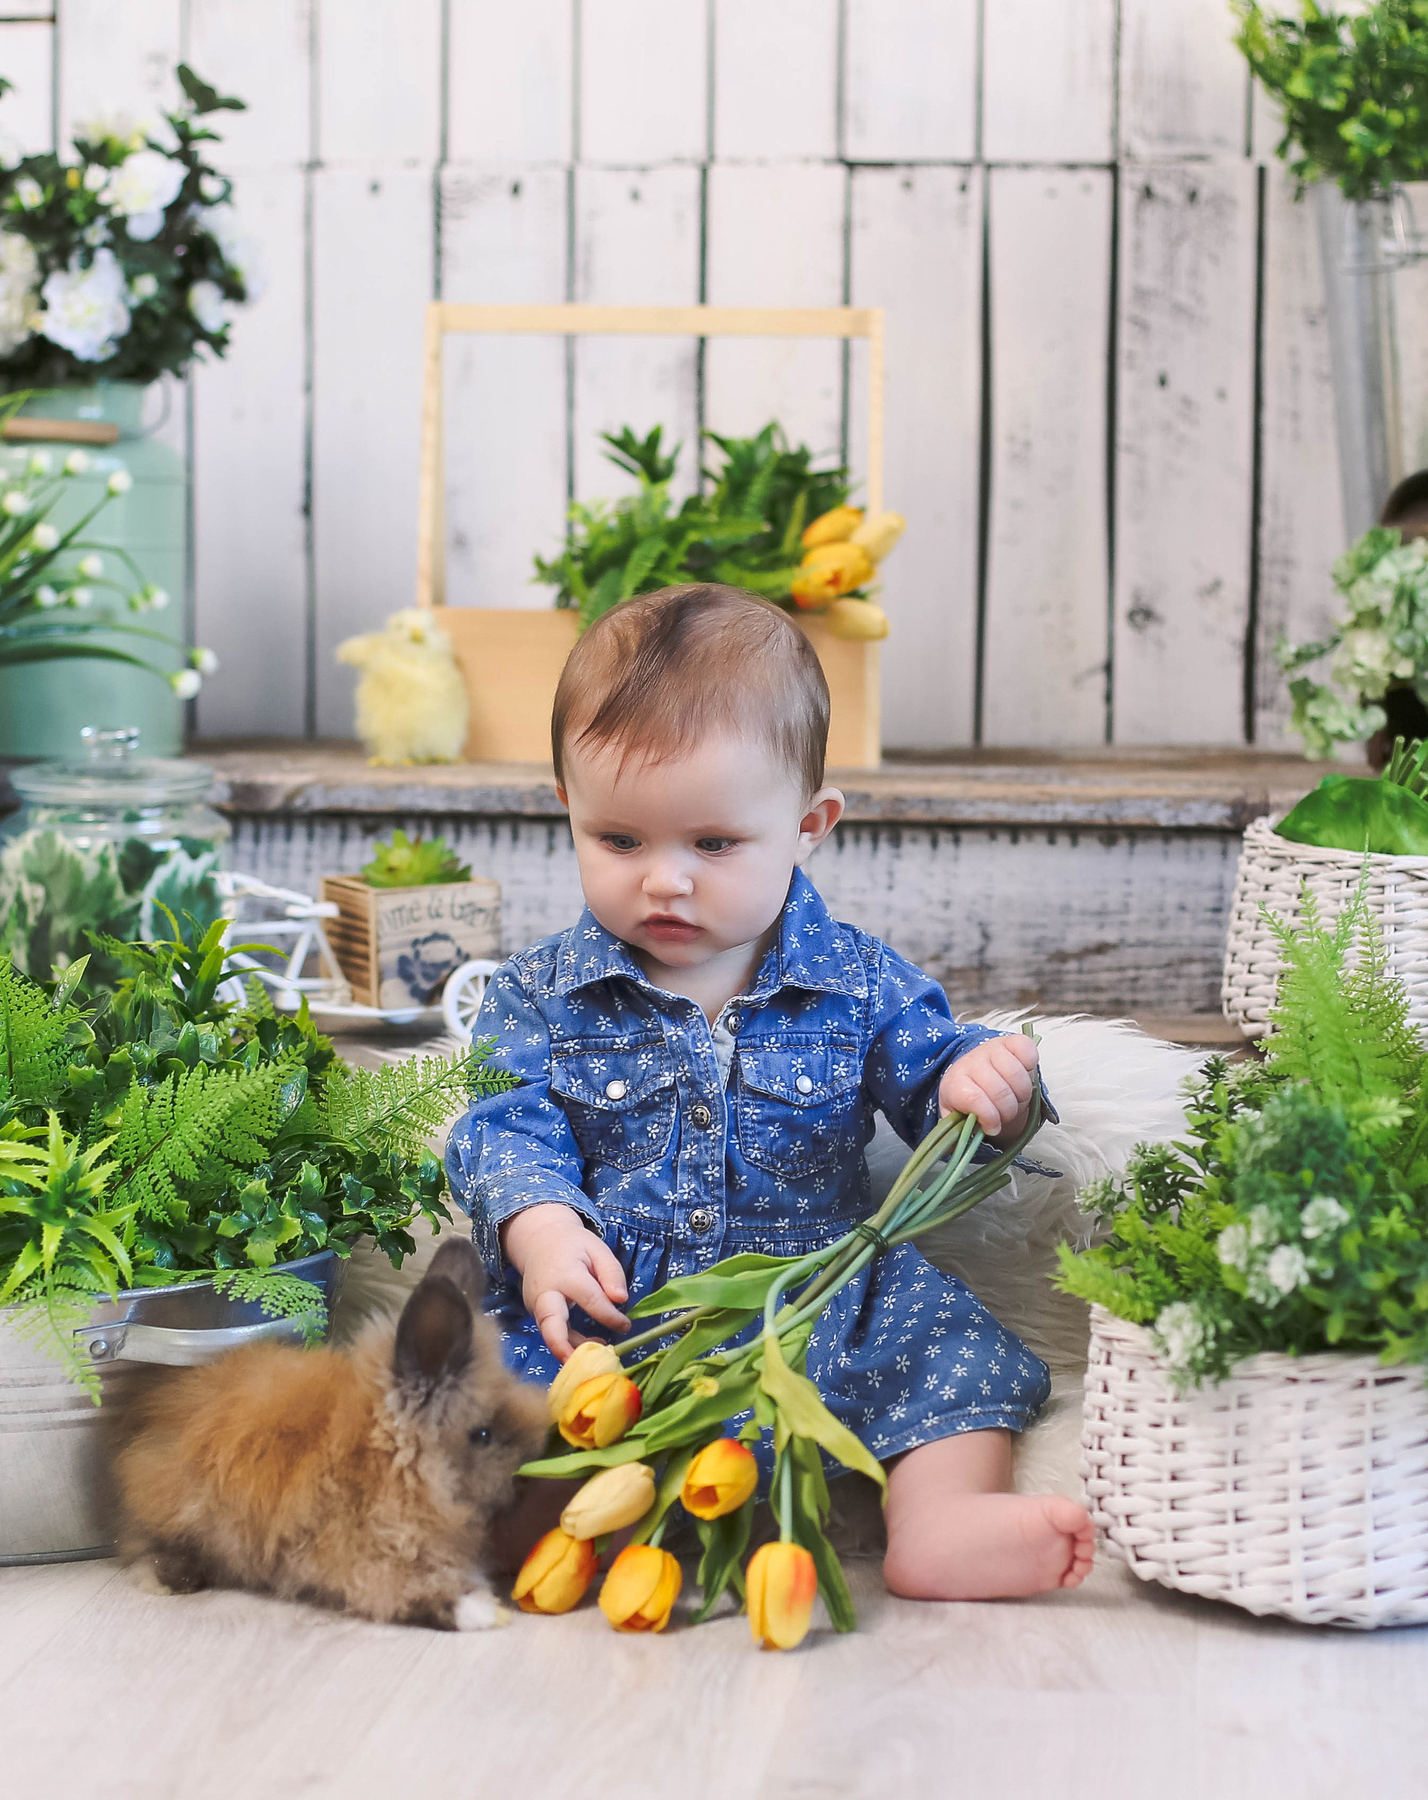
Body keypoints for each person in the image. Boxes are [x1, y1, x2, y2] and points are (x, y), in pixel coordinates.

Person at [446, 583, 1095, 1601]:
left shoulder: (857, 981)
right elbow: (501, 1122)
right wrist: (541, 1229)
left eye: (712, 845)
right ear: (567, 806)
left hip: (819, 1292)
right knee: (503, 1391)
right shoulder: (539, 994)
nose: (664, 880)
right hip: (620, 1306)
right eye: (620, 841)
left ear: (807, 825)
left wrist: (978, 1082)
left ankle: (941, 1520)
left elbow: (936, 1079)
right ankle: (547, 1520)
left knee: (947, 1351)